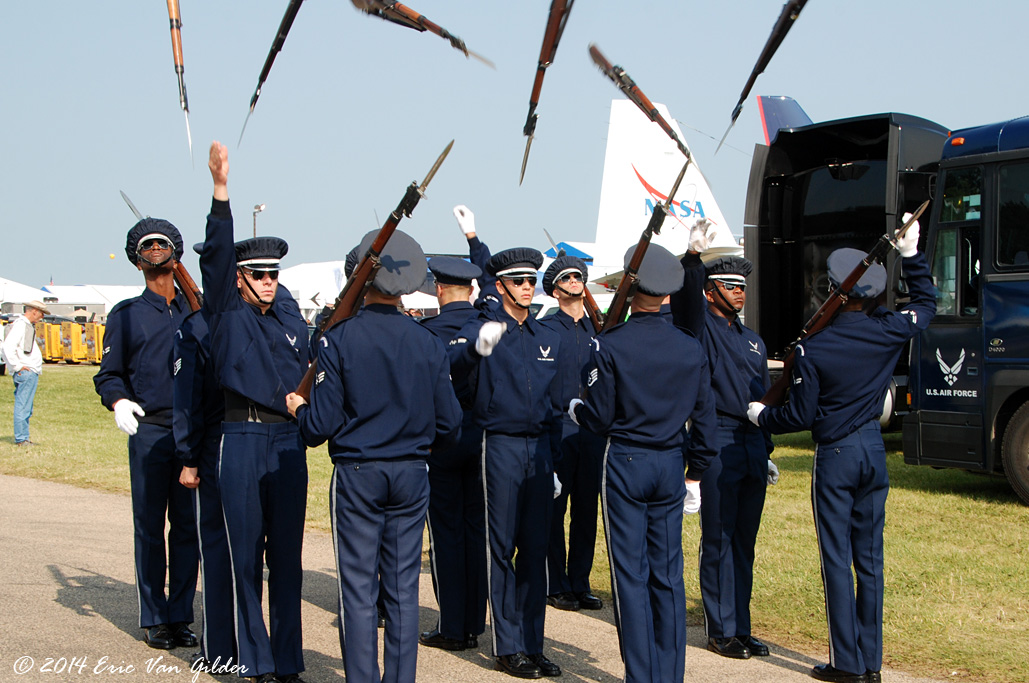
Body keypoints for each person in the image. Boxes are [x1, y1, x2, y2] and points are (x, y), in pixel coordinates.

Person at [748, 218, 934, 683]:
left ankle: (845, 664)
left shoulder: (817, 347)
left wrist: (759, 416)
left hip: (836, 456)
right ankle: (870, 662)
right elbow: (927, 305)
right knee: (869, 561)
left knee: (836, 560)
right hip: (873, 449)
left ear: (831, 291)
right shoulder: (888, 330)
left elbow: (800, 417)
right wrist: (913, 257)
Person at [287, 229, 462, 683]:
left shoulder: (338, 340)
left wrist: (301, 409)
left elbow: (319, 428)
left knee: (359, 590)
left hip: (360, 473)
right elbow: (450, 423)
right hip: (411, 471)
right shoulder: (427, 341)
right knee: (403, 590)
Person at [569, 244, 717, 683]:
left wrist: (578, 409)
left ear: (629, 287)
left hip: (627, 461)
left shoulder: (611, 343)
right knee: (668, 576)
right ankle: (670, 675)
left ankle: (642, 674)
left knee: (630, 576)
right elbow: (705, 420)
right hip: (671, 461)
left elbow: (599, 417)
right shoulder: (689, 346)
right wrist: (696, 472)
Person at [200, 141, 310, 683]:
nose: (269, 280)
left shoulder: (290, 317)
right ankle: (256, 661)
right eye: (258, 274)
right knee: (246, 561)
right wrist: (222, 194)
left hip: (287, 442)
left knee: (286, 561)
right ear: (241, 279)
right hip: (240, 438)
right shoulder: (224, 313)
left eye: (274, 273)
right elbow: (216, 261)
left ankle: (288, 662)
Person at [449, 247, 563, 679]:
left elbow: (554, 405)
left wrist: (554, 462)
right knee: (501, 548)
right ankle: (507, 645)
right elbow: (450, 370)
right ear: (500, 285)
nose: (528, 288)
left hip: (539, 450)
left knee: (536, 551)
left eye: (532, 281)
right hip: (497, 444)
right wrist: (475, 351)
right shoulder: (481, 330)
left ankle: (533, 644)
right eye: (519, 282)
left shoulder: (545, 335)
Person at [669, 220, 775, 660]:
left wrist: (766, 450)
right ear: (711, 292)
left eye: (741, 287)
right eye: (729, 286)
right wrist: (693, 260)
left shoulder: (753, 340)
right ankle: (719, 628)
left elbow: (761, 395)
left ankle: (742, 626)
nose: (739, 293)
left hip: (751, 441)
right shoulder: (701, 329)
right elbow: (684, 305)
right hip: (717, 438)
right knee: (718, 537)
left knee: (744, 541)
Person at [93, 219, 199, 651]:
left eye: (162, 245)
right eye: (147, 248)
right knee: (150, 526)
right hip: (151, 429)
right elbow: (108, 374)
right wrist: (118, 400)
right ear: (137, 260)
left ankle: (180, 613)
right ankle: (155, 616)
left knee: (188, 527)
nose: (155, 252)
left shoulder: (197, 309)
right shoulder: (126, 314)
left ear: (176, 254)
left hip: (193, 433)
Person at [418, 255, 489, 652]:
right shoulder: (483, 327)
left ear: (439, 289)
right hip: (479, 435)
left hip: (441, 439)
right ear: (472, 290)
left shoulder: (428, 333)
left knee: (446, 533)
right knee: (475, 530)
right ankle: (475, 622)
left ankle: (452, 625)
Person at [171, 245, 235, 675]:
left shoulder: (197, 325)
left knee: (215, 547)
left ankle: (218, 648)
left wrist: (188, 457)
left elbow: (189, 401)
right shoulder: (274, 314)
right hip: (259, 442)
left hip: (215, 445)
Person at [538, 256, 605, 612]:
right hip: (559, 428)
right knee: (554, 508)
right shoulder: (547, 329)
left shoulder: (599, 329)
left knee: (585, 509)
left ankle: (579, 581)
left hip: (592, 431)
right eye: (568, 277)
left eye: (579, 276)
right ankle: (554, 582)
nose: (576, 280)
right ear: (555, 289)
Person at [2, 299, 48, 446]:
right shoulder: (21, 325)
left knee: (26, 405)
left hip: (28, 371)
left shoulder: (24, 325)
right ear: (33, 310)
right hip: (26, 371)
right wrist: (17, 366)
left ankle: (23, 436)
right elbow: (8, 347)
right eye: (41, 313)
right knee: (23, 405)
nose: (41, 317)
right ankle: (22, 438)